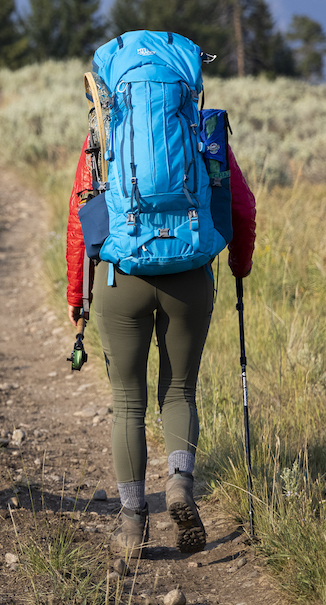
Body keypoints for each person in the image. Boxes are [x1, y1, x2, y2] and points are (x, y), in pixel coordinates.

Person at [65, 130, 256, 558]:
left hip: (120, 278)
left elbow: (79, 215)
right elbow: (241, 206)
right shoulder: (203, 127)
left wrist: (77, 297)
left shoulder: (104, 131)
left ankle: (133, 525)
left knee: (129, 402)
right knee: (179, 392)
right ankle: (179, 483)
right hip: (189, 273)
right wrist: (239, 264)